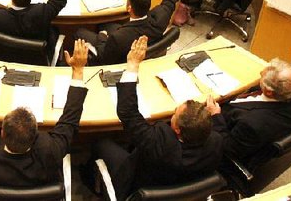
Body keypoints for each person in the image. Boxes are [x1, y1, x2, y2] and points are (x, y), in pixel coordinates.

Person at [88, 37, 225, 201]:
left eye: (174, 114)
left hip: (136, 186)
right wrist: (216, 115)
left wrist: (132, 65)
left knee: (100, 142)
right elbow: (219, 131)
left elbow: (127, 112)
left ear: (177, 129)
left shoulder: (158, 142)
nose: (173, 113)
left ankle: (90, 182)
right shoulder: (216, 142)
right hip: (180, 187)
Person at [210, 0, 291, 169]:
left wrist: (215, 116)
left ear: (268, 91)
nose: (260, 71)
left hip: (220, 137)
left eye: (263, 75)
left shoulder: (252, 124)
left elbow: (227, 148)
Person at [0, 39, 89, 191]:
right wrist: (78, 71)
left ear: (2, 134)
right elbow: (70, 121)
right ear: (35, 136)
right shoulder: (52, 154)